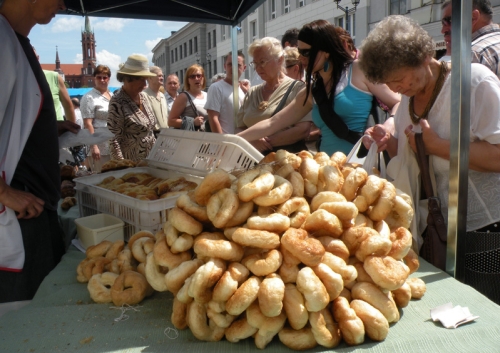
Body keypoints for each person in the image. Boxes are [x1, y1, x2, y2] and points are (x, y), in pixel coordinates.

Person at [360, 15, 500, 251]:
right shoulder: (408, 98)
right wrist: (388, 143)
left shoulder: (472, 82)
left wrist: (437, 146)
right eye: (389, 84)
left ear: (423, 57)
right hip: (438, 229)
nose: (395, 89)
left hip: (485, 229)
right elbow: (413, 157)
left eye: (399, 79)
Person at [0, 0, 80, 303]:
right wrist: (4, 192)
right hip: (19, 213)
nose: (63, 2)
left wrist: (48, 126)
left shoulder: (14, 40)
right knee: (23, 318)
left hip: (34, 206)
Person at [237, 20, 399, 156]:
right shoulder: (312, 90)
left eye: (306, 52)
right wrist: (233, 139)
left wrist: (388, 125)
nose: (301, 58)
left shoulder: (358, 70)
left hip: (363, 169)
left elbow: (397, 102)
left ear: (326, 51)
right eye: (300, 52)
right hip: (327, 175)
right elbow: (272, 123)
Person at [236, 37, 313, 154]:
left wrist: (265, 142)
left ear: (280, 60)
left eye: (262, 62)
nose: (258, 68)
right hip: (252, 160)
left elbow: (302, 130)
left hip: (286, 160)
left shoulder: (298, 88)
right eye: (255, 63)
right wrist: (252, 142)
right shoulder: (252, 92)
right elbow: (239, 126)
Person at [107, 54, 157, 162]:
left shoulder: (144, 97)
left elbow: (150, 130)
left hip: (150, 160)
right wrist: (121, 166)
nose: (145, 85)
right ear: (128, 78)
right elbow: (113, 139)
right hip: (130, 164)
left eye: (146, 80)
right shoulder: (117, 101)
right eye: (141, 80)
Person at [441, 0, 500, 76]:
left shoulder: (473, 54)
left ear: (473, 17)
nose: (443, 30)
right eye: (443, 23)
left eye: (449, 21)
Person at [81, 64, 113, 173]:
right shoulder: (89, 97)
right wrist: (94, 146)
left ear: (109, 79)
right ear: (94, 78)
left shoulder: (112, 95)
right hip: (99, 144)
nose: (102, 80)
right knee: (101, 176)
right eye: (99, 77)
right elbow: (87, 123)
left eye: (105, 77)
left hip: (114, 143)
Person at [205, 52, 247, 134]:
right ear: (225, 66)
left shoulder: (244, 90)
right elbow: (213, 119)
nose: (233, 68)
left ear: (244, 68)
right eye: (230, 64)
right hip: (226, 142)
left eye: (238, 65)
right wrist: (223, 143)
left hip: (243, 142)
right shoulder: (216, 88)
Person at [167, 64, 208, 131]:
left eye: (199, 76)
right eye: (192, 76)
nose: (196, 78)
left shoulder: (207, 95)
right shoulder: (183, 97)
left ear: (203, 78)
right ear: (188, 80)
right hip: (192, 138)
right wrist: (193, 122)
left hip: (209, 137)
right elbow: (171, 121)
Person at [144, 66, 169, 134]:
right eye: (159, 76)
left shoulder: (162, 96)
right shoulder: (144, 95)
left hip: (165, 135)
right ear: (150, 78)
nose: (162, 78)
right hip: (153, 135)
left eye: (162, 76)